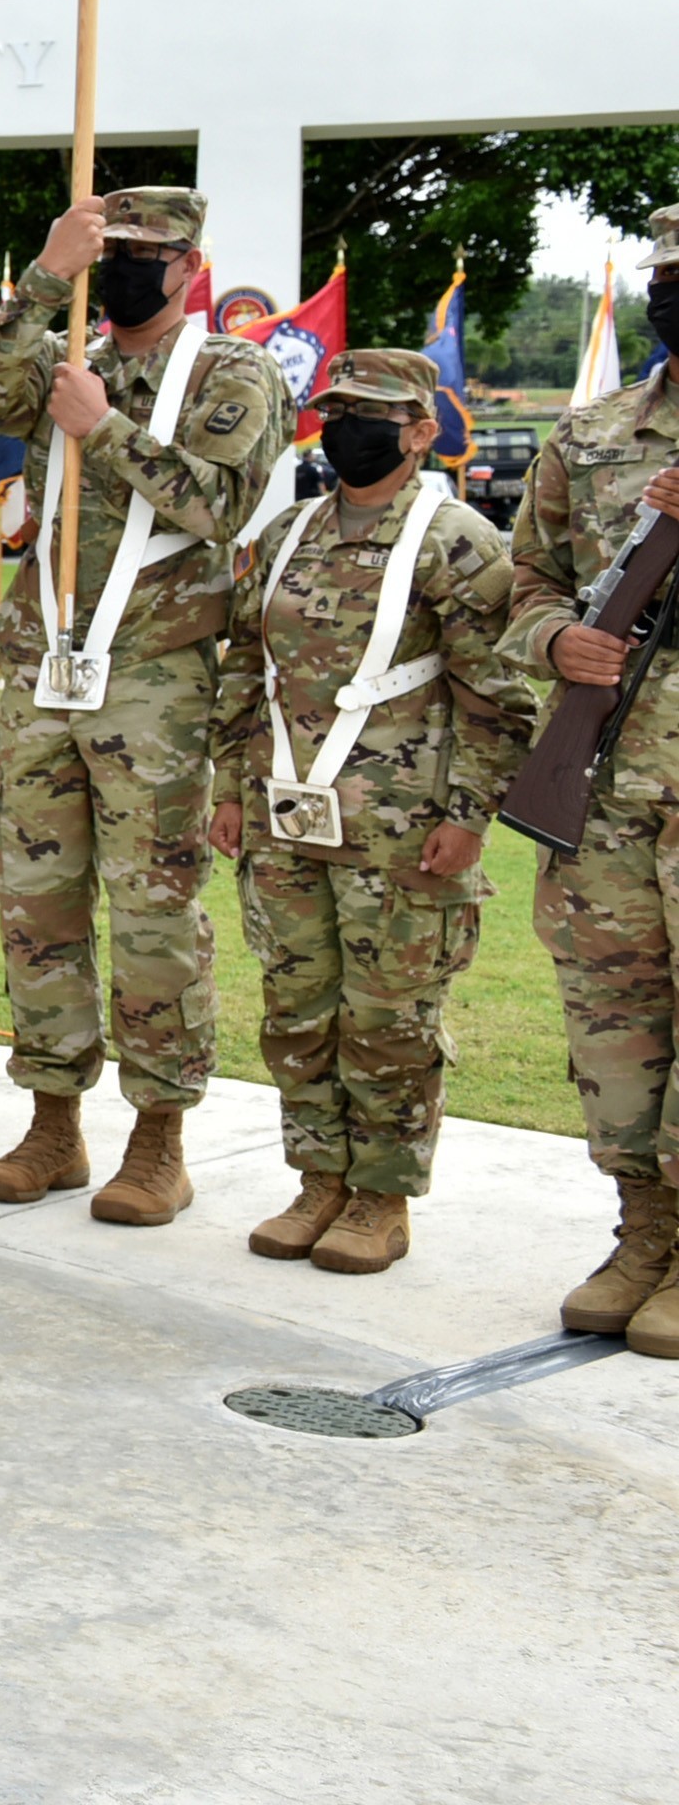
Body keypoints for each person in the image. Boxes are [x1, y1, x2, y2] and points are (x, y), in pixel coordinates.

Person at [0, 191, 290, 1224]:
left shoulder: (233, 372)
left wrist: (103, 430)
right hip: (47, 662)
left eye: (153, 255)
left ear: (192, 264)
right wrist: (48, 275)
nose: (135, 269)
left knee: (153, 909)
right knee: (36, 898)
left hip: (157, 669)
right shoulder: (61, 359)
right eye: (118, 255)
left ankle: (159, 1137)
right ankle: (53, 1119)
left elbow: (220, 505)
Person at [210, 349, 532, 1272]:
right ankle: (317, 1181)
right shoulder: (289, 534)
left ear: (422, 431)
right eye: (334, 410)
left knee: (389, 1018)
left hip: (403, 828)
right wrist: (234, 789)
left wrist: (467, 817)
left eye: (369, 414)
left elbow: (499, 697)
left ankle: (381, 1197)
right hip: (286, 815)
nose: (345, 428)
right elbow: (244, 667)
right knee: (297, 1007)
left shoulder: (457, 539)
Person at [509, 203, 679, 1350]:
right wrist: (553, 642)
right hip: (609, 791)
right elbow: (523, 580)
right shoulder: (596, 434)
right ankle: (644, 1235)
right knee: (610, 1024)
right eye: (670, 273)